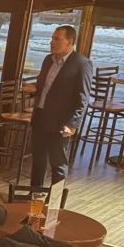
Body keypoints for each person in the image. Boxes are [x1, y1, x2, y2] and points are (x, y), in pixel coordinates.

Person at [30, 24, 92, 188]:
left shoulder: (81, 64)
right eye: (52, 38)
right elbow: (43, 87)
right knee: (38, 161)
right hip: (40, 117)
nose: (52, 42)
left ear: (69, 42)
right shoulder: (47, 60)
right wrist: (33, 89)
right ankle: (34, 196)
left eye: (57, 39)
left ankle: (55, 204)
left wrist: (72, 124)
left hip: (61, 122)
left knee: (57, 164)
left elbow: (83, 98)